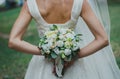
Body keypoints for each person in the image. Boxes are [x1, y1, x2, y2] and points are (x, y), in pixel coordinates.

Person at [8, 0, 120, 79]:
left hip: (45, 64)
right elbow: (103, 39)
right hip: (75, 64)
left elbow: (13, 41)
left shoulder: (31, 4)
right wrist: (72, 56)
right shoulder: (80, 2)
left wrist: (47, 51)